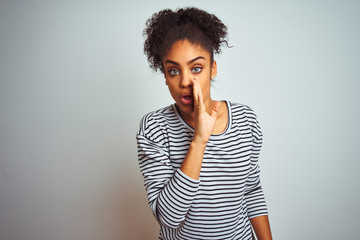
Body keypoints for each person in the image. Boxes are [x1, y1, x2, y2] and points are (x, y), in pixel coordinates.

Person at [136, 7, 272, 240]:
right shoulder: (154, 128)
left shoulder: (246, 120)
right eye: (173, 71)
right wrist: (199, 140)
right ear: (166, 77)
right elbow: (168, 217)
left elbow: (251, 190)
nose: (185, 81)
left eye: (196, 68)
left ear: (213, 69)